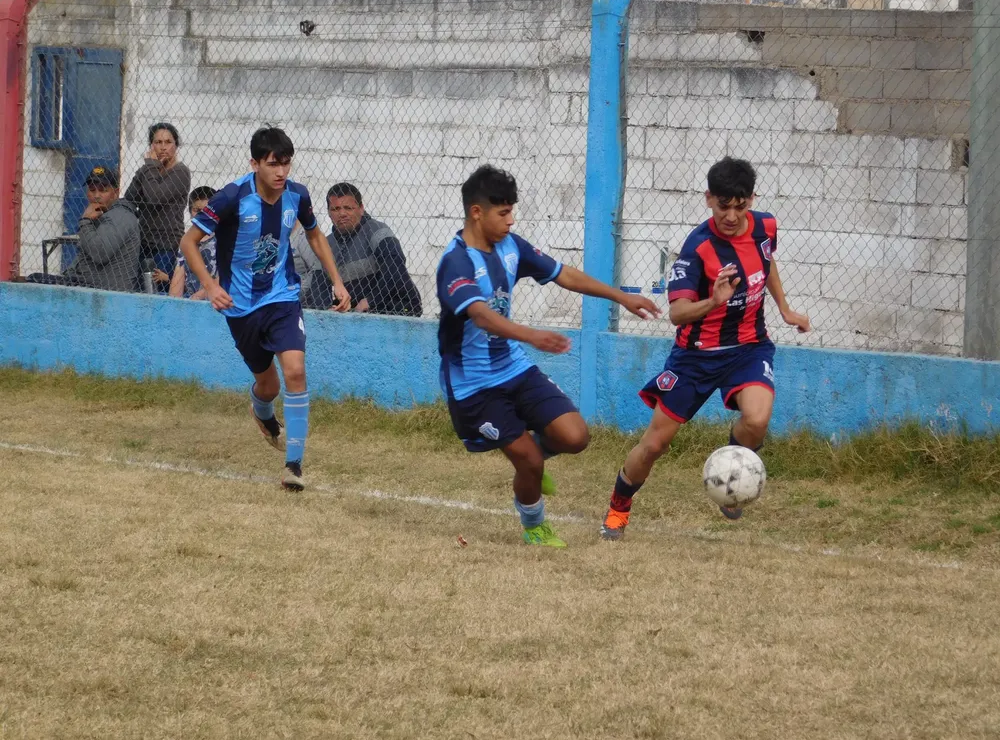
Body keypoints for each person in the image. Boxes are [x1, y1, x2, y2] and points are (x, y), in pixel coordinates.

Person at [437, 165, 660, 548]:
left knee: (575, 436)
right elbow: (480, 315)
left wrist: (621, 296)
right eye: (502, 213)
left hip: (513, 366)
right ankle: (535, 525)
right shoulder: (455, 262)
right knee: (528, 459)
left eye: (512, 211)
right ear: (476, 212)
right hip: (473, 384)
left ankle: (532, 464)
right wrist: (531, 335)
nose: (511, 220)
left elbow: (564, 274)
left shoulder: (511, 247)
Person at [599, 157, 811, 541]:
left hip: (749, 348)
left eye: (739, 205)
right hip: (694, 358)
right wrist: (714, 301)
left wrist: (784, 308)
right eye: (722, 205)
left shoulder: (765, 226)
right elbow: (677, 314)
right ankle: (618, 507)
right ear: (708, 199)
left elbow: (767, 261)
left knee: (758, 419)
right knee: (654, 445)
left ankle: (732, 472)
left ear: (751, 199)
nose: (731, 214)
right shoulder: (697, 250)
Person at [178, 126, 351, 490]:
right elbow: (189, 241)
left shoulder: (297, 196)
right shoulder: (231, 198)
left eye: (286, 164)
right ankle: (261, 410)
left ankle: (294, 466)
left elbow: (315, 234)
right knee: (268, 385)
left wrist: (337, 280)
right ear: (255, 163)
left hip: (283, 298)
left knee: (296, 371)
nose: (281, 172)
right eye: (273, 164)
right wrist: (210, 286)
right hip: (241, 308)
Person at [303, 183, 422, 316]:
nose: (342, 213)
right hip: (357, 314)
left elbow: (396, 269)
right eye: (335, 209)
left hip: (398, 307)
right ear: (329, 213)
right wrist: (326, 311)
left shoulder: (377, 231)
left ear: (361, 209)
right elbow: (318, 285)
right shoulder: (327, 244)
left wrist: (371, 300)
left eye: (348, 208)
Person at [26, 165, 140, 292]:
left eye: (103, 191)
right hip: (89, 286)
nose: (96, 196)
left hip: (106, 291)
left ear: (115, 193)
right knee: (34, 279)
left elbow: (99, 253)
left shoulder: (120, 216)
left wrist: (85, 221)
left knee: (36, 281)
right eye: (92, 190)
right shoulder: (101, 216)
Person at [124, 122, 191, 292]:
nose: (163, 147)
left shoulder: (180, 172)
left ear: (176, 146)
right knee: (140, 292)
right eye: (158, 142)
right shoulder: (150, 169)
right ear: (151, 145)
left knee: (160, 293)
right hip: (144, 243)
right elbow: (130, 197)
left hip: (166, 247)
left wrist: (149, 167)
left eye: (168, 142)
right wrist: (148, 167)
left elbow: (155, 197)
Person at [169, 187, 217, 300]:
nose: (202, 216)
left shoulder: (223, 239)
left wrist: (201, 295)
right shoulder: (186, 241)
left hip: (217, 299)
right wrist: (172, 303)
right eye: (197, 211)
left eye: (206, 211)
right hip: (193, 301)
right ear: (190, 212)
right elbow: (178, 277)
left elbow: (227, 277)